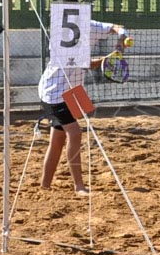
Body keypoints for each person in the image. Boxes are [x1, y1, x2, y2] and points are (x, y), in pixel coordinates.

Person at [39, 18, 127, 195]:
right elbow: (86, 63)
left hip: (73, 90)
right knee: (75, 133)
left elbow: (117, 27)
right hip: (54, 92)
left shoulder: (87, 23)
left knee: (58, 138)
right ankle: (79, 186)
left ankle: (45, 184)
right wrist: (109, 58)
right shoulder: (60, 36)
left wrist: (121, 38)